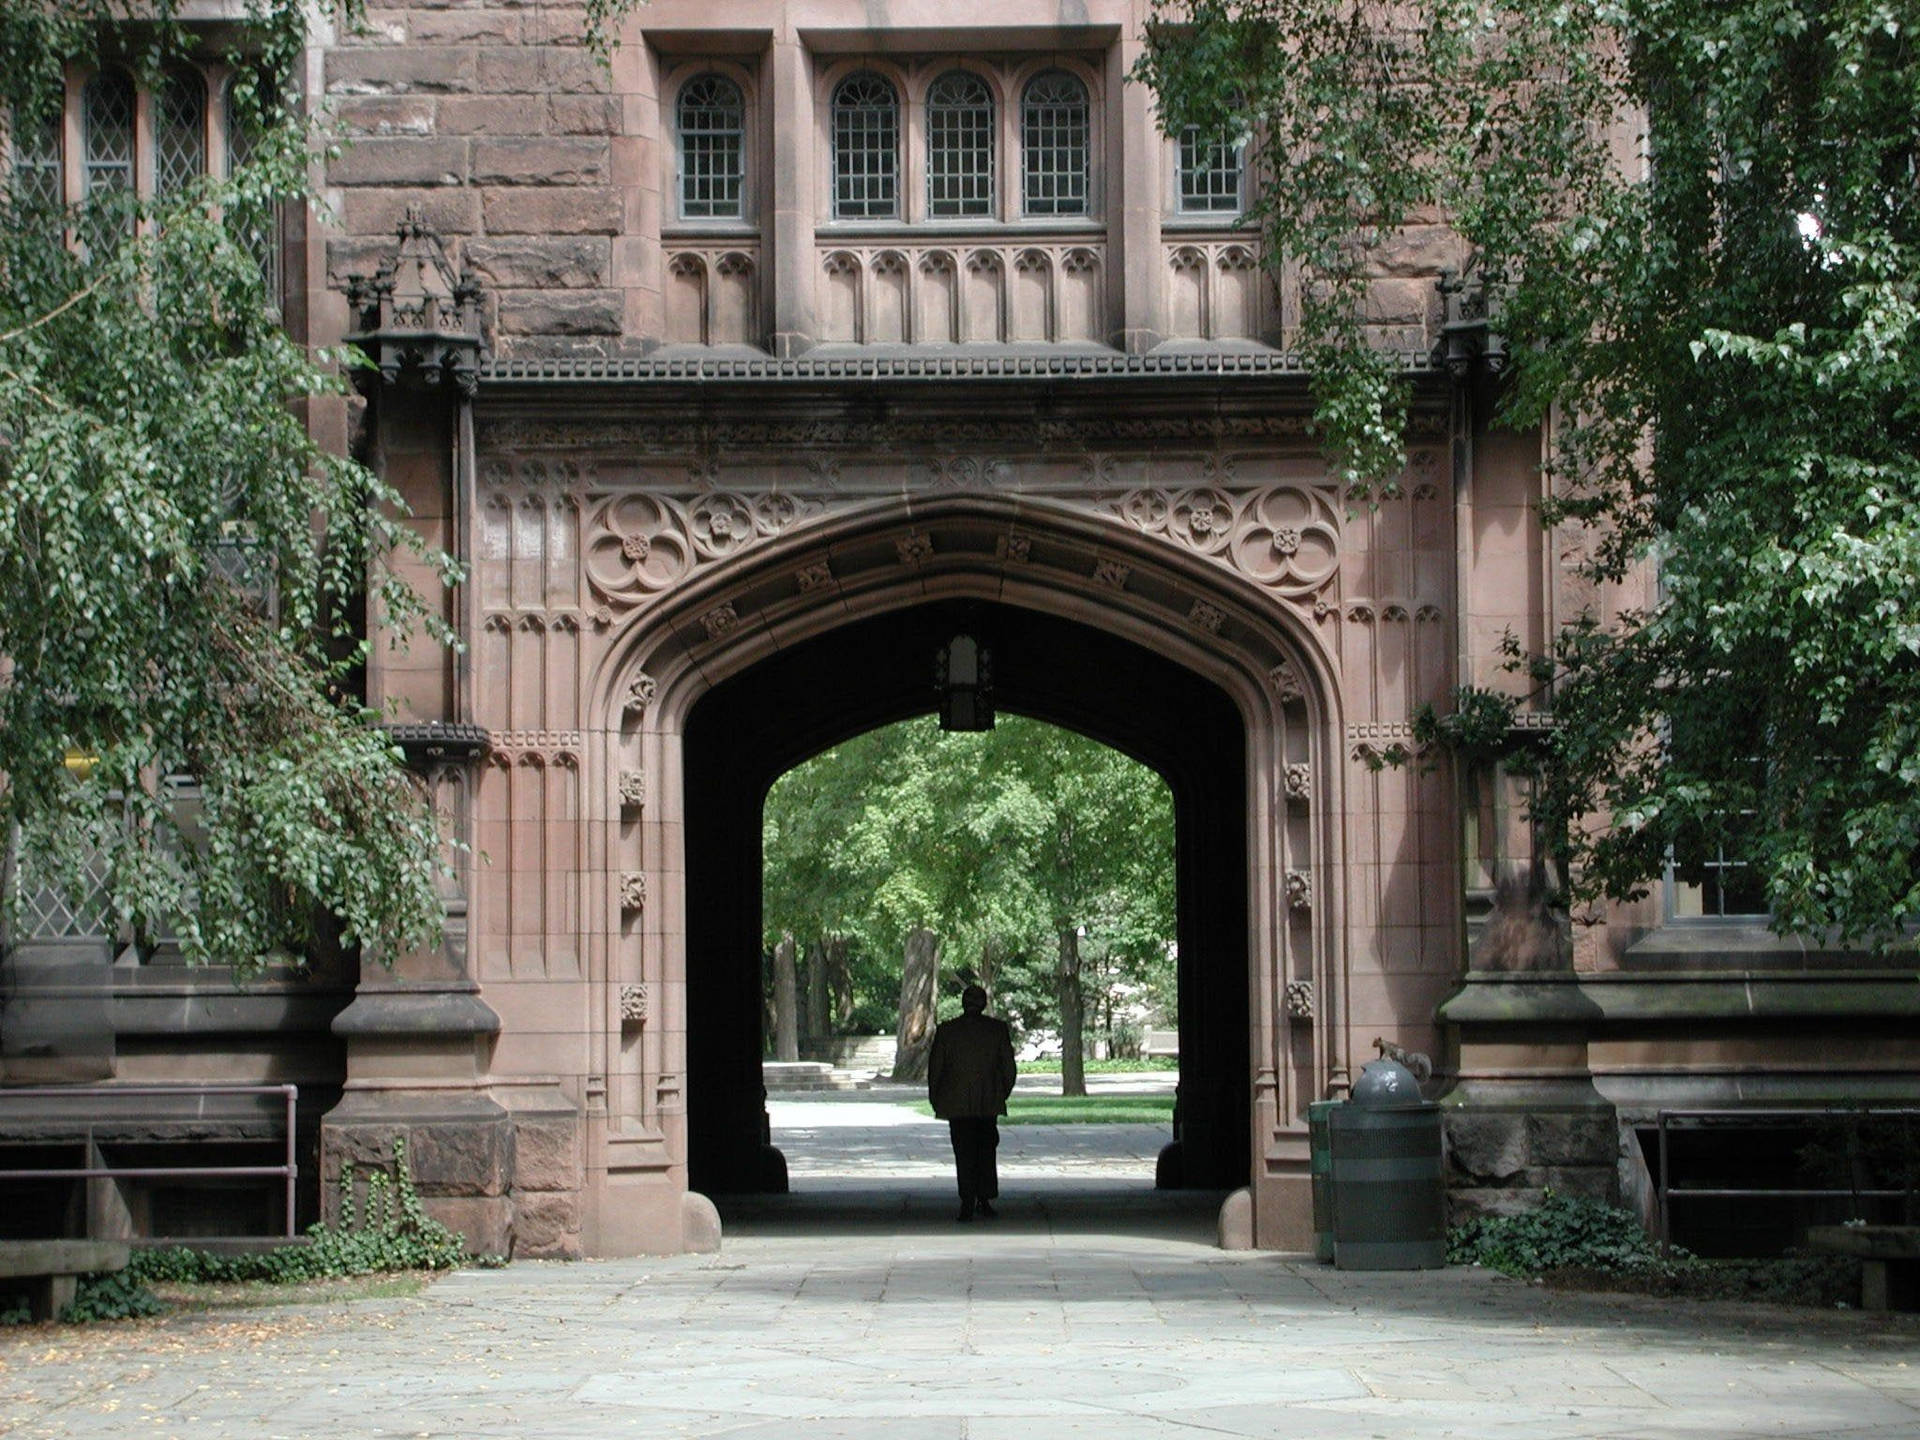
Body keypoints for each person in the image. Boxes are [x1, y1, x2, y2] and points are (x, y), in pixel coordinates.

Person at [926, 983, 1017, 1221]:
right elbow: (1008, 1068)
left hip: (957, 1103)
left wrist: (936, 1097)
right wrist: (1000, 1093)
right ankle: (984, 1198)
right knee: (986, 1150)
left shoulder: (947, 1031)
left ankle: (967, 1199)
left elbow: (936, 1068)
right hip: (987, 1101)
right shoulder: (997, 1030)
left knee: (964, 1151)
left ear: (963, 1003)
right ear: (984, 1003)